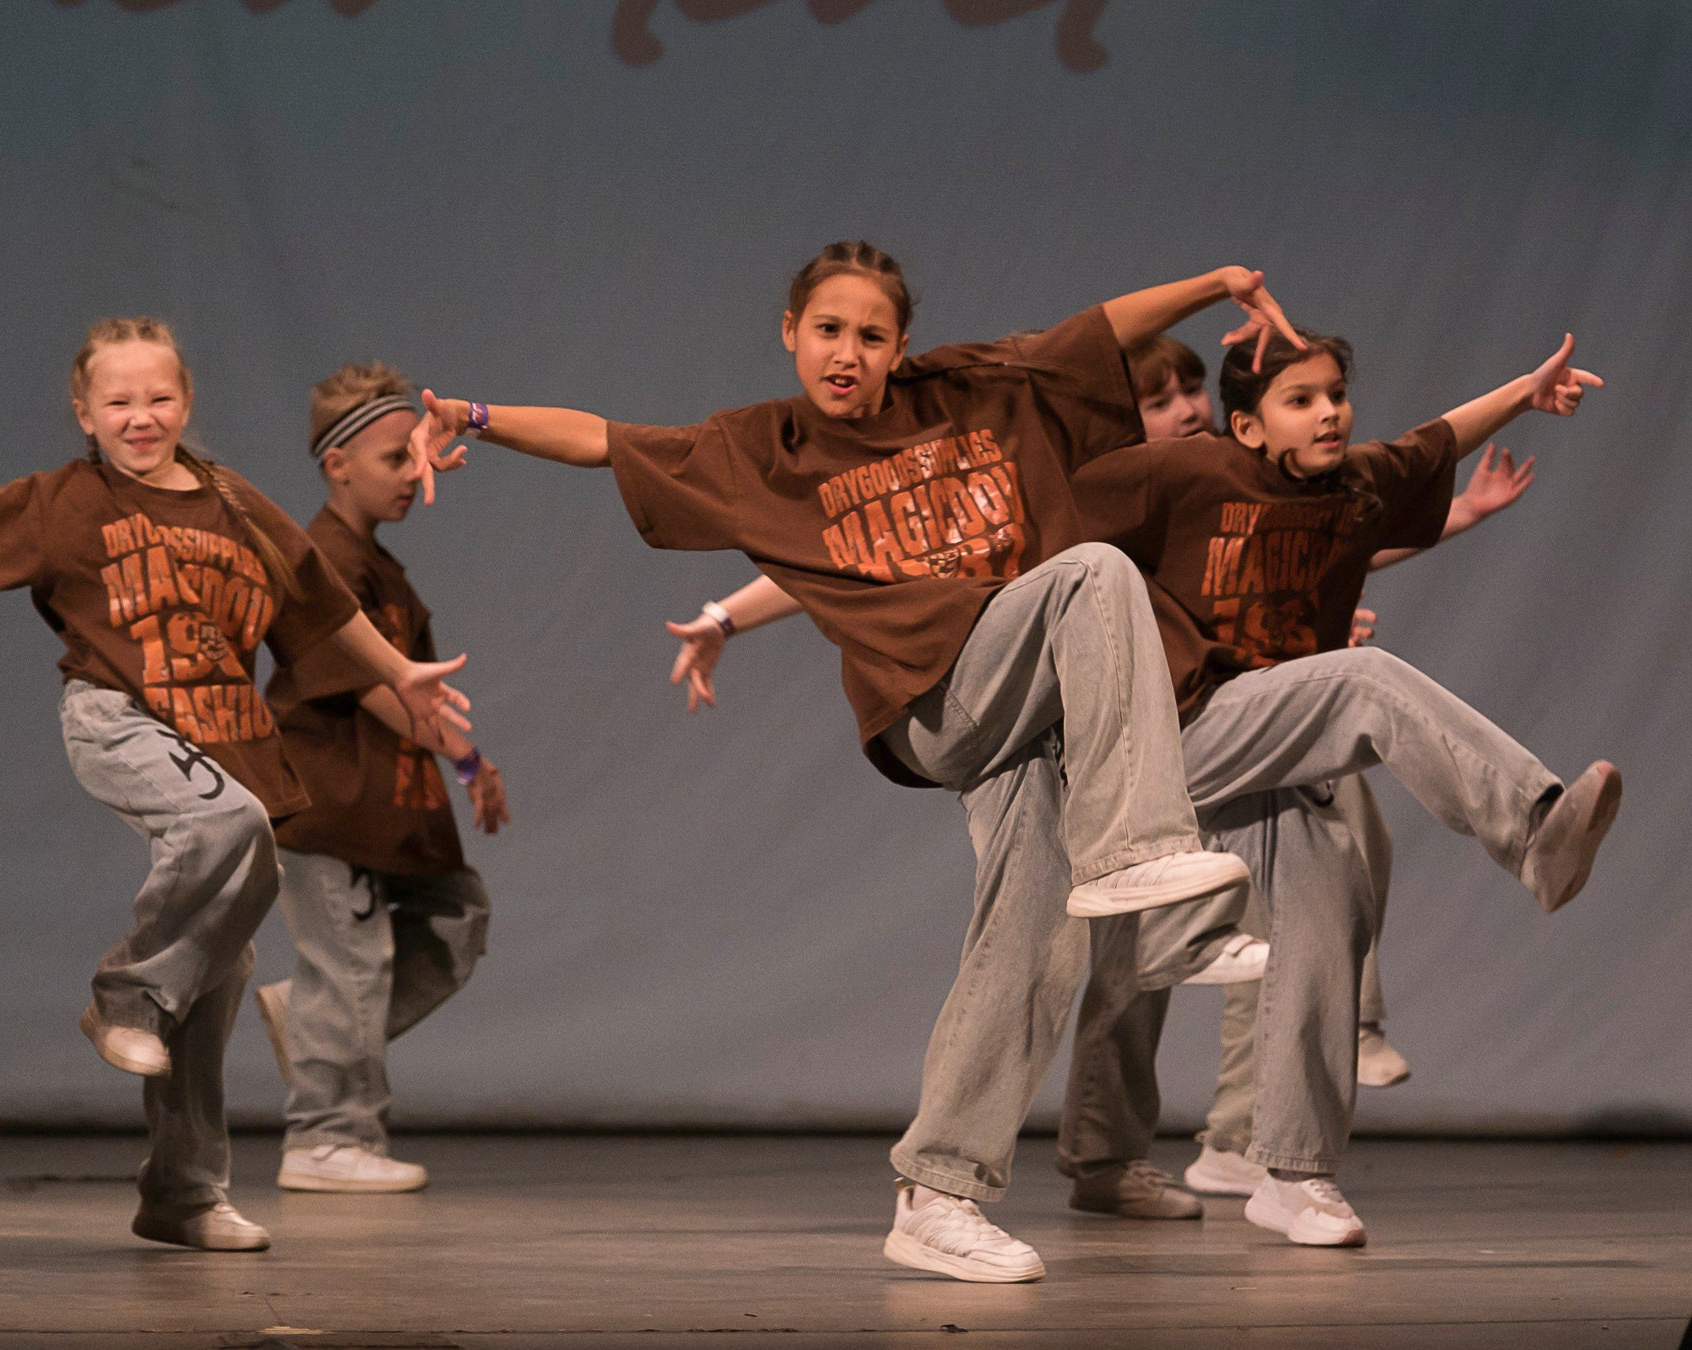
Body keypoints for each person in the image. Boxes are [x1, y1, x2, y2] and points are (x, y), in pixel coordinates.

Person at [405, 240, 1302, 1282]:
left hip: (1028, 706)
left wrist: (1218, 284)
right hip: (935, 703)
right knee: (1093, 573)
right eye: (826, 330)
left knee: (1034, 936)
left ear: (899, 346)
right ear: (789, 333)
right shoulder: (762, 448)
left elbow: (1103, 331)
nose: (846, 352)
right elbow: (602, 441)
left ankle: (937, 1192)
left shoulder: (972, 386)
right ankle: (1149, 871)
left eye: (870, 336)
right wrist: (471, 417)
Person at [658, 321, 1617, 1249]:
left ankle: (1290, 1171)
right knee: (1361, 691)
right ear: (1250, 425)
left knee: (1331, 875)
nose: (1328, 413)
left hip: (1260, 737)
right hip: (1167, 735)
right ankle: (1530, 830)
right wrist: (727, 618)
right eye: (1300, 399)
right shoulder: (1176, 474)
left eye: (1335, 397)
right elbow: (896, 552)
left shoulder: (1353, 487)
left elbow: (1431, 443)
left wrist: (1526, 398)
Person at [0, 317, 470, 1252]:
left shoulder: (233, 501)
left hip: (224, 734)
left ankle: (182, 1194)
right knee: (228, 830)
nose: (141, 417)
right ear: (84, 413)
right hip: (119, 717)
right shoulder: (64, 500)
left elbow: (319, 602)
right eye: (119, 402)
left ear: (186, 402)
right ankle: (123, 997)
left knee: (223, 966)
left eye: (159, 398)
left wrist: (397, 670)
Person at [252, 361, 506, 1195]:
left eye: (417, 456)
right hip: (327, 807)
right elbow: (375, 688)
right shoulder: (318, 561)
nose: (413, 473)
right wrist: (462, 756)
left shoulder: (380, 569)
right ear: (338, 464)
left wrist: (466, 762)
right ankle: (325, 1138)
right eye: (396, 457)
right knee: (352, 967)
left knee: (455, 918)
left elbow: (416, 682)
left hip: (387, 806)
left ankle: (312, 1018)